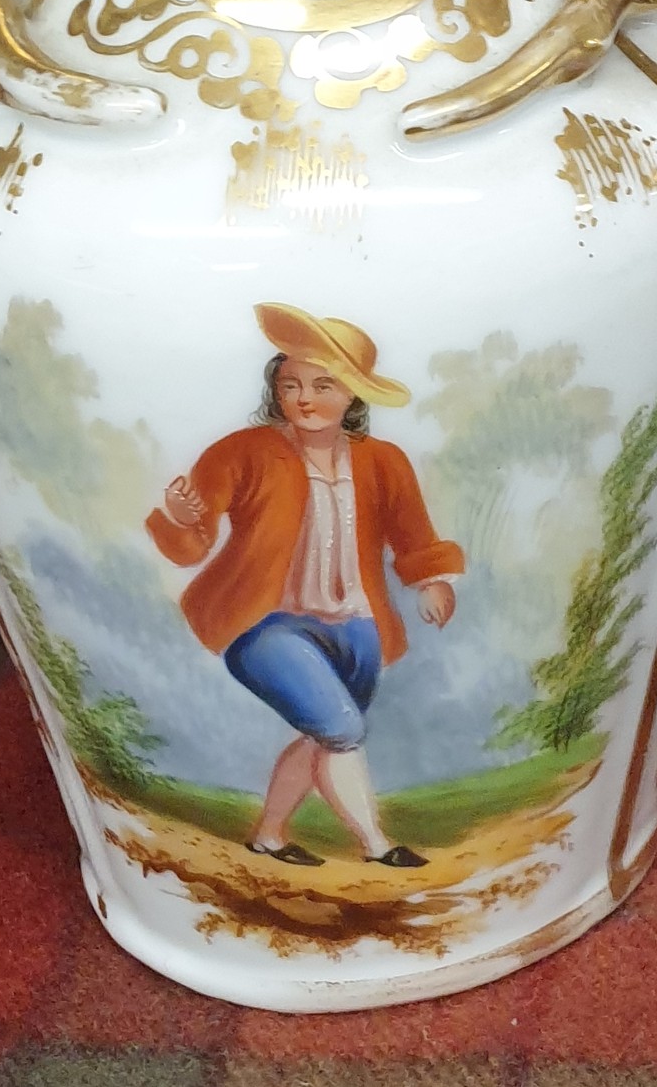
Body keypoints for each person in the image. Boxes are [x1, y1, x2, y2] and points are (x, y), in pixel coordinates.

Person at [146, 303, 466, 868]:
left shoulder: (383, 460)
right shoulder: (244, 452)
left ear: (352, 396)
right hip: (267, 625)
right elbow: (195, 540)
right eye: (290, 385)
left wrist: (430, 580)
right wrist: (180, 517)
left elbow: (411, 531)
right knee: (342, 729)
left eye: (323, 385)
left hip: (359, 627)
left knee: (330, 736)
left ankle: (269, 835)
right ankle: (377, 845)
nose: (304, 399)